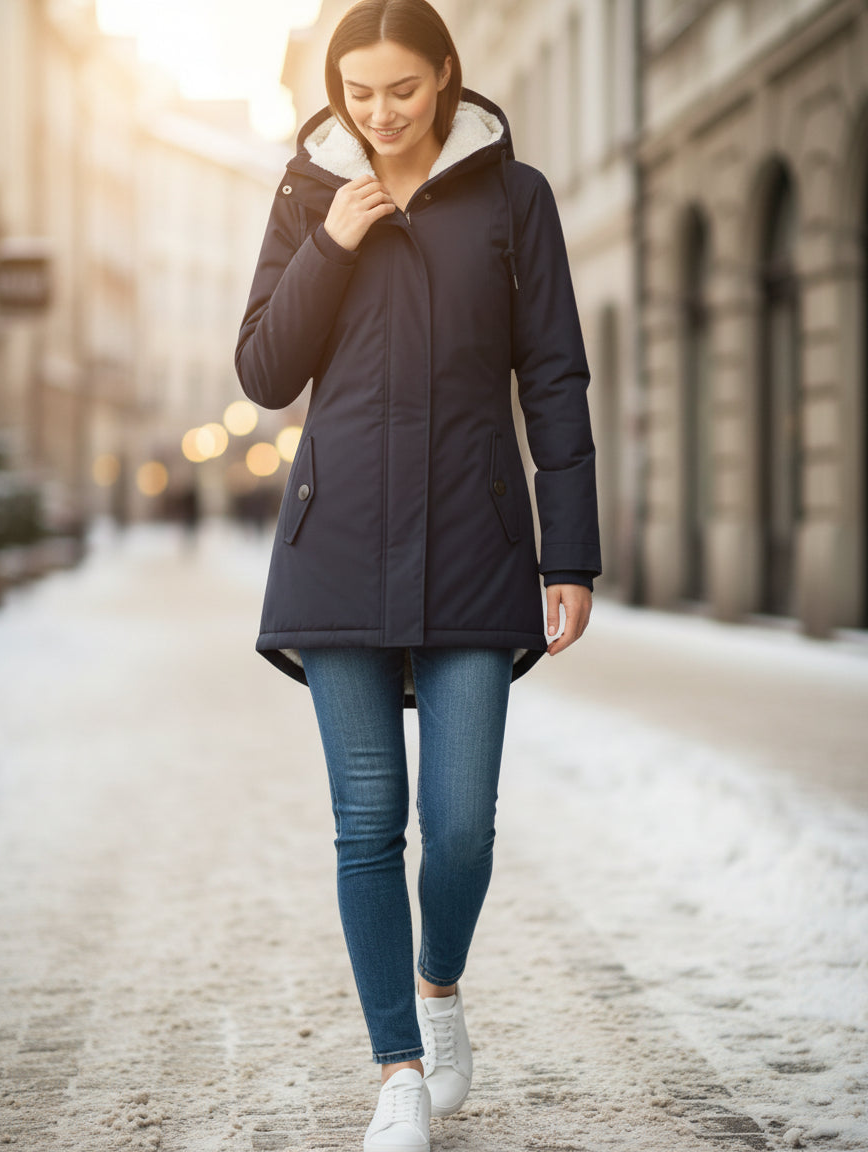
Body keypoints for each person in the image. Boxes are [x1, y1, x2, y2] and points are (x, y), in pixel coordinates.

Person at [234, 2, 600, 1148]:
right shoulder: (308, 194)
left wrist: (570, 551)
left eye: (401, 89)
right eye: (357, 95)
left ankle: (438, 988)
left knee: (461, 828)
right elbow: (262, 370)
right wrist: (334, 239)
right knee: (364, 822)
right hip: (336, 545)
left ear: (445, 76)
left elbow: (552, 378)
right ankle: (396, 1065)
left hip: (474, 542)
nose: (380, 115)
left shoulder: (514, 197)